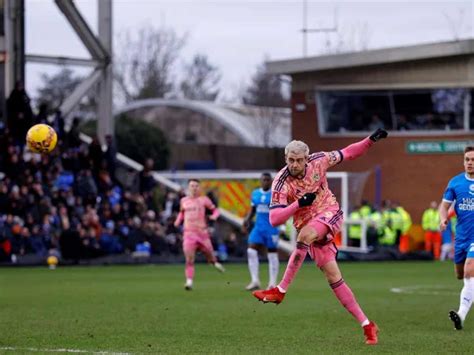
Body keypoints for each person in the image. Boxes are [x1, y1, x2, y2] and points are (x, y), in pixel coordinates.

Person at [252, 128, 388, 345]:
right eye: (290, 160)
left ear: (307, 158)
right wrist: (298, 204)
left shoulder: (320, 160)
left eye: (298, 160)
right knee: (334, 278)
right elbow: (275, 219)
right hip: (308, 225)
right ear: (285, 158)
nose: (294, 164)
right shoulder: (281, 181)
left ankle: (280, 290)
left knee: (304, 236)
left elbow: (348, 153)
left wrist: (370, 140)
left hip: (329, 213)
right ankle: (367, 325)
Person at [439, 146, 474, 330]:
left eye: (473, 160)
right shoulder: (456, 183)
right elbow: (443, 206)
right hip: (461, 238)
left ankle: (460, 316)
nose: (470, 163)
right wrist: (443, 219)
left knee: (469, 271)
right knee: (461, 275)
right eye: (467, 159)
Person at [174, 179, 225, 290]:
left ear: (199, 188)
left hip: (202, 234)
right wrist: (177, 222)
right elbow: (181, 213)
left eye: (196, 186)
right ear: (188, 188)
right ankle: (189, 282)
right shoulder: (184, 201)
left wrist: (214, 216)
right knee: (189, 259)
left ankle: (214, 262)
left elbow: (216, 211)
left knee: (209, 254)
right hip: (188, 234)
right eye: (192, 186)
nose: (194, 188)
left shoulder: (204, 200)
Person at [243, 173, 280, 291]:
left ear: (271, 181)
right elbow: (253, 209)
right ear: (260, 181)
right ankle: (255, 280)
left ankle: (272, 283)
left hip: (271, 228)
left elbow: (280, 211)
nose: (265, 182)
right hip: (258, 227)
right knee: (251, 250)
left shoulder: (275, 195)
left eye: (268, 180)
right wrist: (247, 220)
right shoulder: (255, 193)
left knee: (272, 254)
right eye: (263, 180)